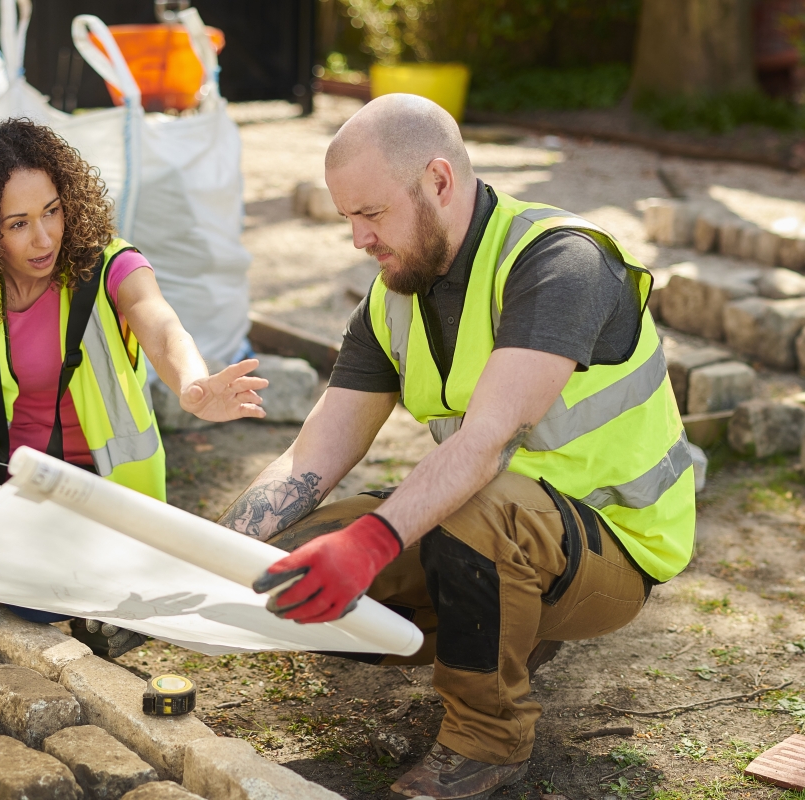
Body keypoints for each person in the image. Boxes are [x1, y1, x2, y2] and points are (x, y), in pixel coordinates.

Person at [217, 94, 694, 799]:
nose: (357, 239)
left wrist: (375, 542)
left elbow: (484, 444)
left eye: (371, 214)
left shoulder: (562, 262)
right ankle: (507, 633)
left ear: (439, 181)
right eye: (348, 217)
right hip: (501, 526)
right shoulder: (393, 296)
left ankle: (487, 742)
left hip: (615, 544)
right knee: (285, 572)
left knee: (477, 514)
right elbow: (308, 460)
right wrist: (209, 559)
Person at [0, 119, 267, 656]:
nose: (44, 237)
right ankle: (25, 561)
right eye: (18, 223)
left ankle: (25, 566)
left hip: (91, 484)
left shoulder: (111, 263)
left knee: (37, 605)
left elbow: (159, 322)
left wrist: (192, 381)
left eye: (52, 210)